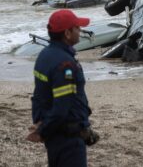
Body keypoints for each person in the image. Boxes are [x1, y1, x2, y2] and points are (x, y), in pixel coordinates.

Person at [26, 9, 99, 167]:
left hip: (55, 136)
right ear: (67, 33)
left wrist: (39, 121)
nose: (80, 31)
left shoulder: (44, 56)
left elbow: (38, 96)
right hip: (68, 138)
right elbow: (61, 107)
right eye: (77, 28)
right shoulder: (65, 65)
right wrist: (42, 131)